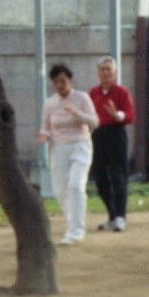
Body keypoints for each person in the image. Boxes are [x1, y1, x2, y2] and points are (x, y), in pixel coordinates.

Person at [37, 63, 99, 245]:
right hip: (59, 149)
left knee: (75, 185)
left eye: (63, 81)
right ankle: (72, 223)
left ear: (70, 80)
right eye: (56, 82)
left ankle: (76, 230)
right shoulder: (49, 103)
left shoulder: (82, 98)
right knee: (60, 190)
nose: (59, 85)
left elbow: (95, 121)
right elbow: (45, 126)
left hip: (81, 145)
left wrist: (77, 114)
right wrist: (44, 135)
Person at [89, 56, 136, 233]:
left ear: (115, 72)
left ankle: (120, 217)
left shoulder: (121, 92)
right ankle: (112, 214)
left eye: (109, 69)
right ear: (98, 72)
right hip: (98, 135)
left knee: (118, 177)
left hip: (116, 133)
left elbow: (131, 115)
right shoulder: (93, 93)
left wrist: (118, 115)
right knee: (100, 177)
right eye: (102, 69)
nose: (105, 72)